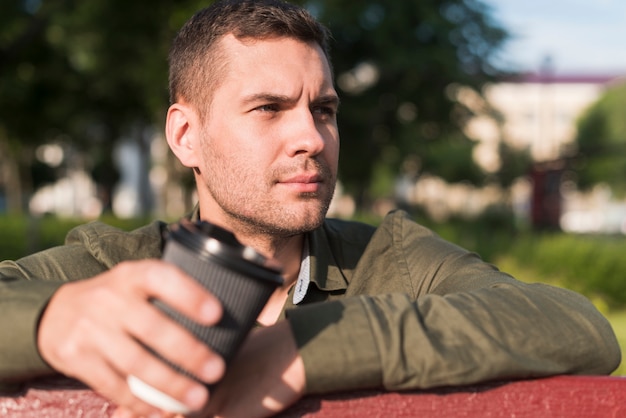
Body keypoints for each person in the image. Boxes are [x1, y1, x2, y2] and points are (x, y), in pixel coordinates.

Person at [0, 0, 620, 417]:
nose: (313, 138)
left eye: (323, 110)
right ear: (186, 135)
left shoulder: (392, 259)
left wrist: (303, 347)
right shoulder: (111, 266)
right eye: (269, 108)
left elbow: (577, 327)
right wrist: (56, 317)